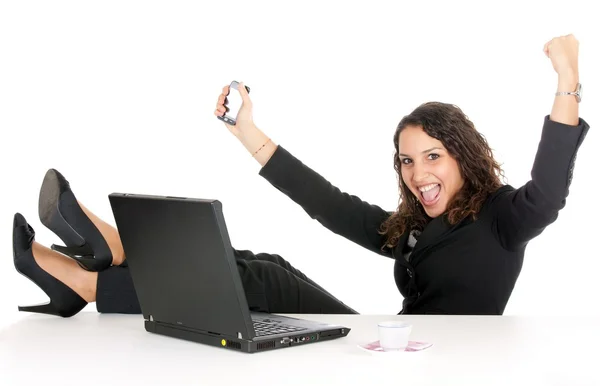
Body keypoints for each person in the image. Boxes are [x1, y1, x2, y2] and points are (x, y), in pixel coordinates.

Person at [12, 34, 589, 318]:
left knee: (268, 286)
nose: (419, 174)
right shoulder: (414, 227)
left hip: (428, 368)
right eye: (408, 161)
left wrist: (566, 74)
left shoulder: (505, 220)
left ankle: (90, 283)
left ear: (463, 156)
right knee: (271, 266)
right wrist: (247, 131)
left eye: (434, 156)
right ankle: (115, 249)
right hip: (400, 349)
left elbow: (551, 185)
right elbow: (330, 204)